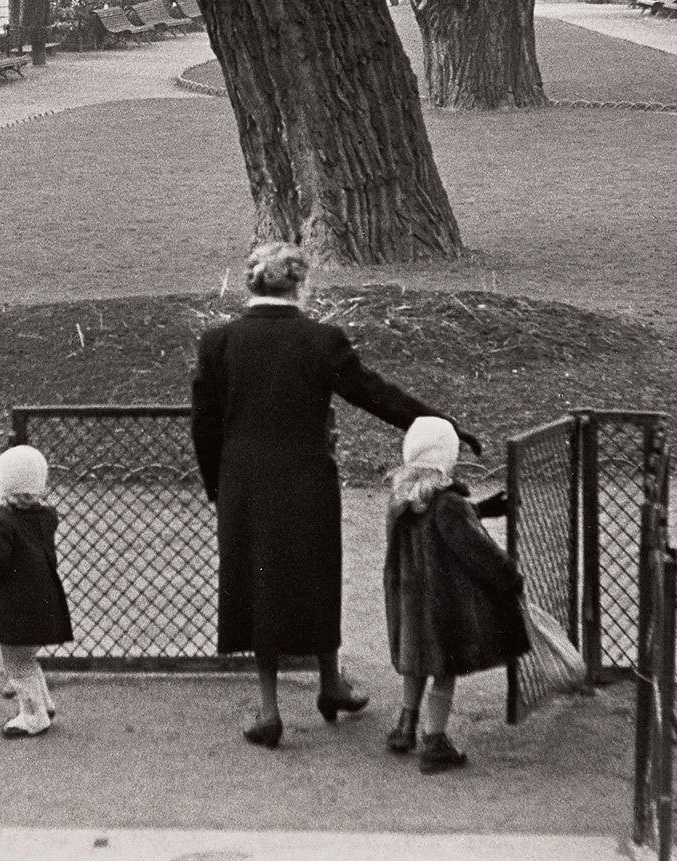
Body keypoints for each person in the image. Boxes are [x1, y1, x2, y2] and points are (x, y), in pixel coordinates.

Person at [190, 241, 482, 748]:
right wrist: (443, 424)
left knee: (258, 583)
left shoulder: (219, 342)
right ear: (301, 285)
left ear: (250, 283)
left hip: (244, 483)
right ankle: (331, 683)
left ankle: (268, 710)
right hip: (307, 479)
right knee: (317, 574)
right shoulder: (321, 340)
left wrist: (217, 485)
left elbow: (203, 425)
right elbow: (376, 394)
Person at [382, 415, 530, 773]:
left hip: (410, 603)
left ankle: (406, 726)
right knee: (443, 673)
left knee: (415, 667)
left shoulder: (402, 496)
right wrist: (508, 575)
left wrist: (480, 509)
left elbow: (431, 522)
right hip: (442, 606)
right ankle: (435, 741)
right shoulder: (449, 503)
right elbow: (474, 549)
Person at [0, 444, 73, 738]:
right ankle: (44, 704)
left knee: (16, 662)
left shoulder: (3, 524)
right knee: (27, 657)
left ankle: (33, 716)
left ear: (3, 486)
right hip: (45, 600)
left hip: (17, 607)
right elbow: (19, 534)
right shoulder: (47, 517)